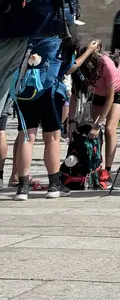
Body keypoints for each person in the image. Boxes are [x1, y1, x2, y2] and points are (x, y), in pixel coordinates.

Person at [12, 33, 75, 200]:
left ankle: (23, 187)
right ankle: (54, 185)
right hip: (49, 91)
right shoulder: (59, 41)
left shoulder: (24, 38)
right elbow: (67, 67)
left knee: (26, 138)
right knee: (52, 138)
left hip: (25, 91)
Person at [69, 39, 120, 183]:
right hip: (99, 93)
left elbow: (110, 97)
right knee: (91, 129)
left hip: (118, 92)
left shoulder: (106, 64)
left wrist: (99, 123)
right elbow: (75, 95)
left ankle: (107, 169)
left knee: (109, 128)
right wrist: (71, 122)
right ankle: (95, 163)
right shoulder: (80, 69)